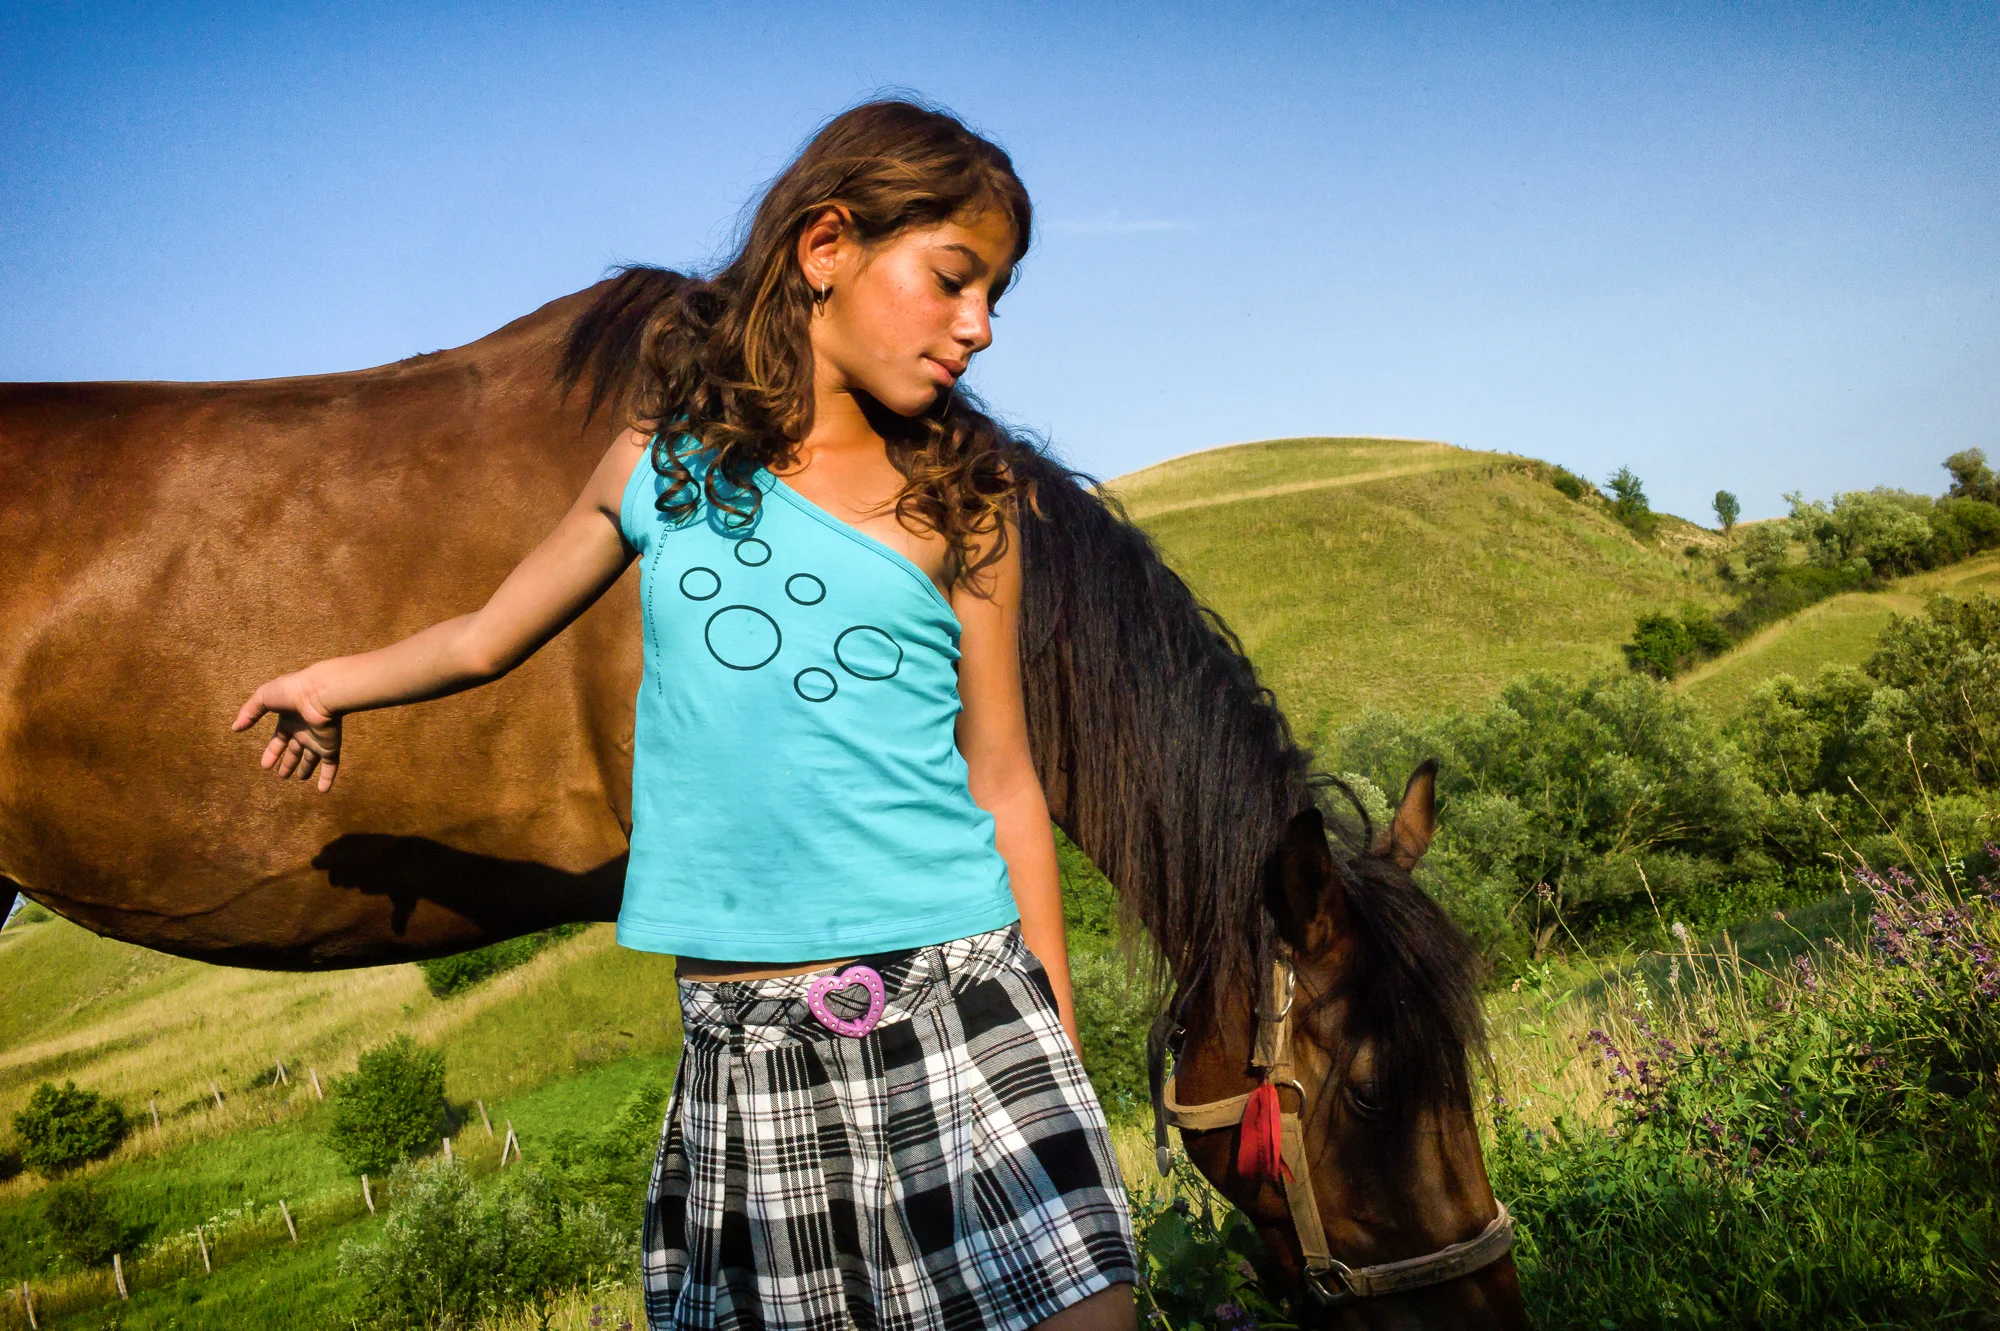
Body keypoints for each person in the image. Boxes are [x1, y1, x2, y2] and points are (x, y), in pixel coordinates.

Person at [231, 100, 1138, 1331]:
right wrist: (331, 682)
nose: (977, 326)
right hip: (748, 1043)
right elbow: (486, 634)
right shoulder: (659, 470)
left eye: (995, 295)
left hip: (965, 996)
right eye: (951, 278)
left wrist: (1060, 1046)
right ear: (826, 246)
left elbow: (1003, 775)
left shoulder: (965, 500)